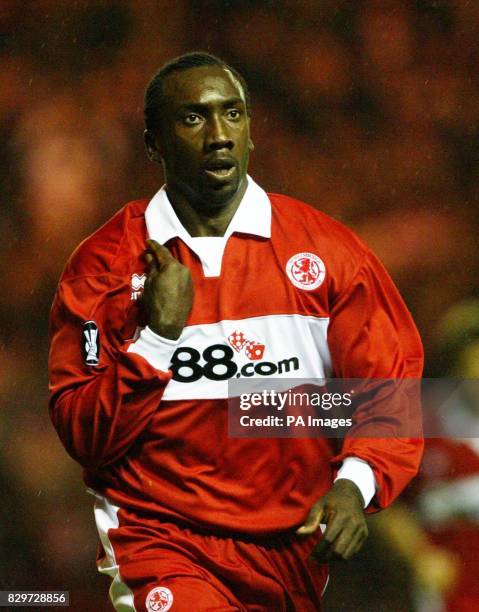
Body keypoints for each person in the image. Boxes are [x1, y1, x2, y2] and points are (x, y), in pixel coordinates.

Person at [48, 52, 424, 612]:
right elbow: (84, 436)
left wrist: (356, 483)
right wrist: (157, 340)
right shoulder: (105, 266)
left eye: (233, 114)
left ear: (251, 130)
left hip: (291, 551)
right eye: (195, 118)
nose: (220, 135)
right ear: (154, 144)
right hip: (161, 541)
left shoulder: (328, 253)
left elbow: (385, 391)